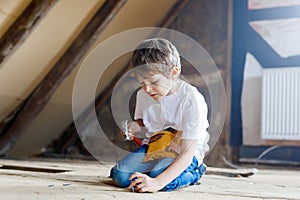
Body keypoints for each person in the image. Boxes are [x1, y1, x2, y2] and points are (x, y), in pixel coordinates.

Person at [110, 38, 209, 192]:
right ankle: (153, 173)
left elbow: (187, 152)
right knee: (120, 175)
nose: (147, 89)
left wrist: (157, 183)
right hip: (155, 146)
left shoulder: (191, 99)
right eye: (142, 83)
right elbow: (144, 122)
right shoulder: (144, 94)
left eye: (153, 82)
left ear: (173, 73)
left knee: (162, 179)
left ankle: (195, 173)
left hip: (183, 151)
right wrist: (134, 126)